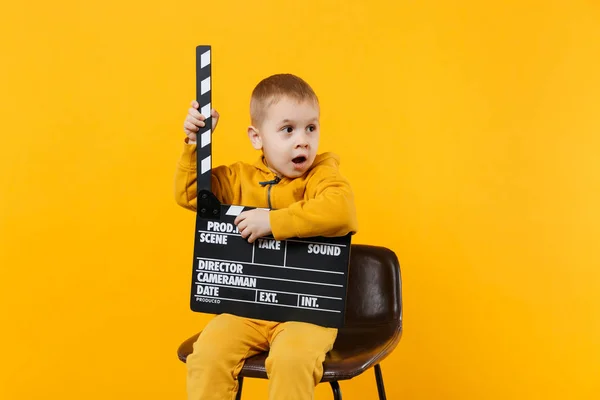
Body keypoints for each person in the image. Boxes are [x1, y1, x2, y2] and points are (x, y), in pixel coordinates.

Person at [174, 73, 358, 400]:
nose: (302, 140)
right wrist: (194, 146)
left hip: (307, 311)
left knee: (291, 361)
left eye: (310, 128)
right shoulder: (238, 178)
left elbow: (340, 211)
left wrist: (274, 221)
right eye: (288, 129)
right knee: (208, 353)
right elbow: (191, 197)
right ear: (257, 138)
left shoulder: (324, 176)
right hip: (248, 308)